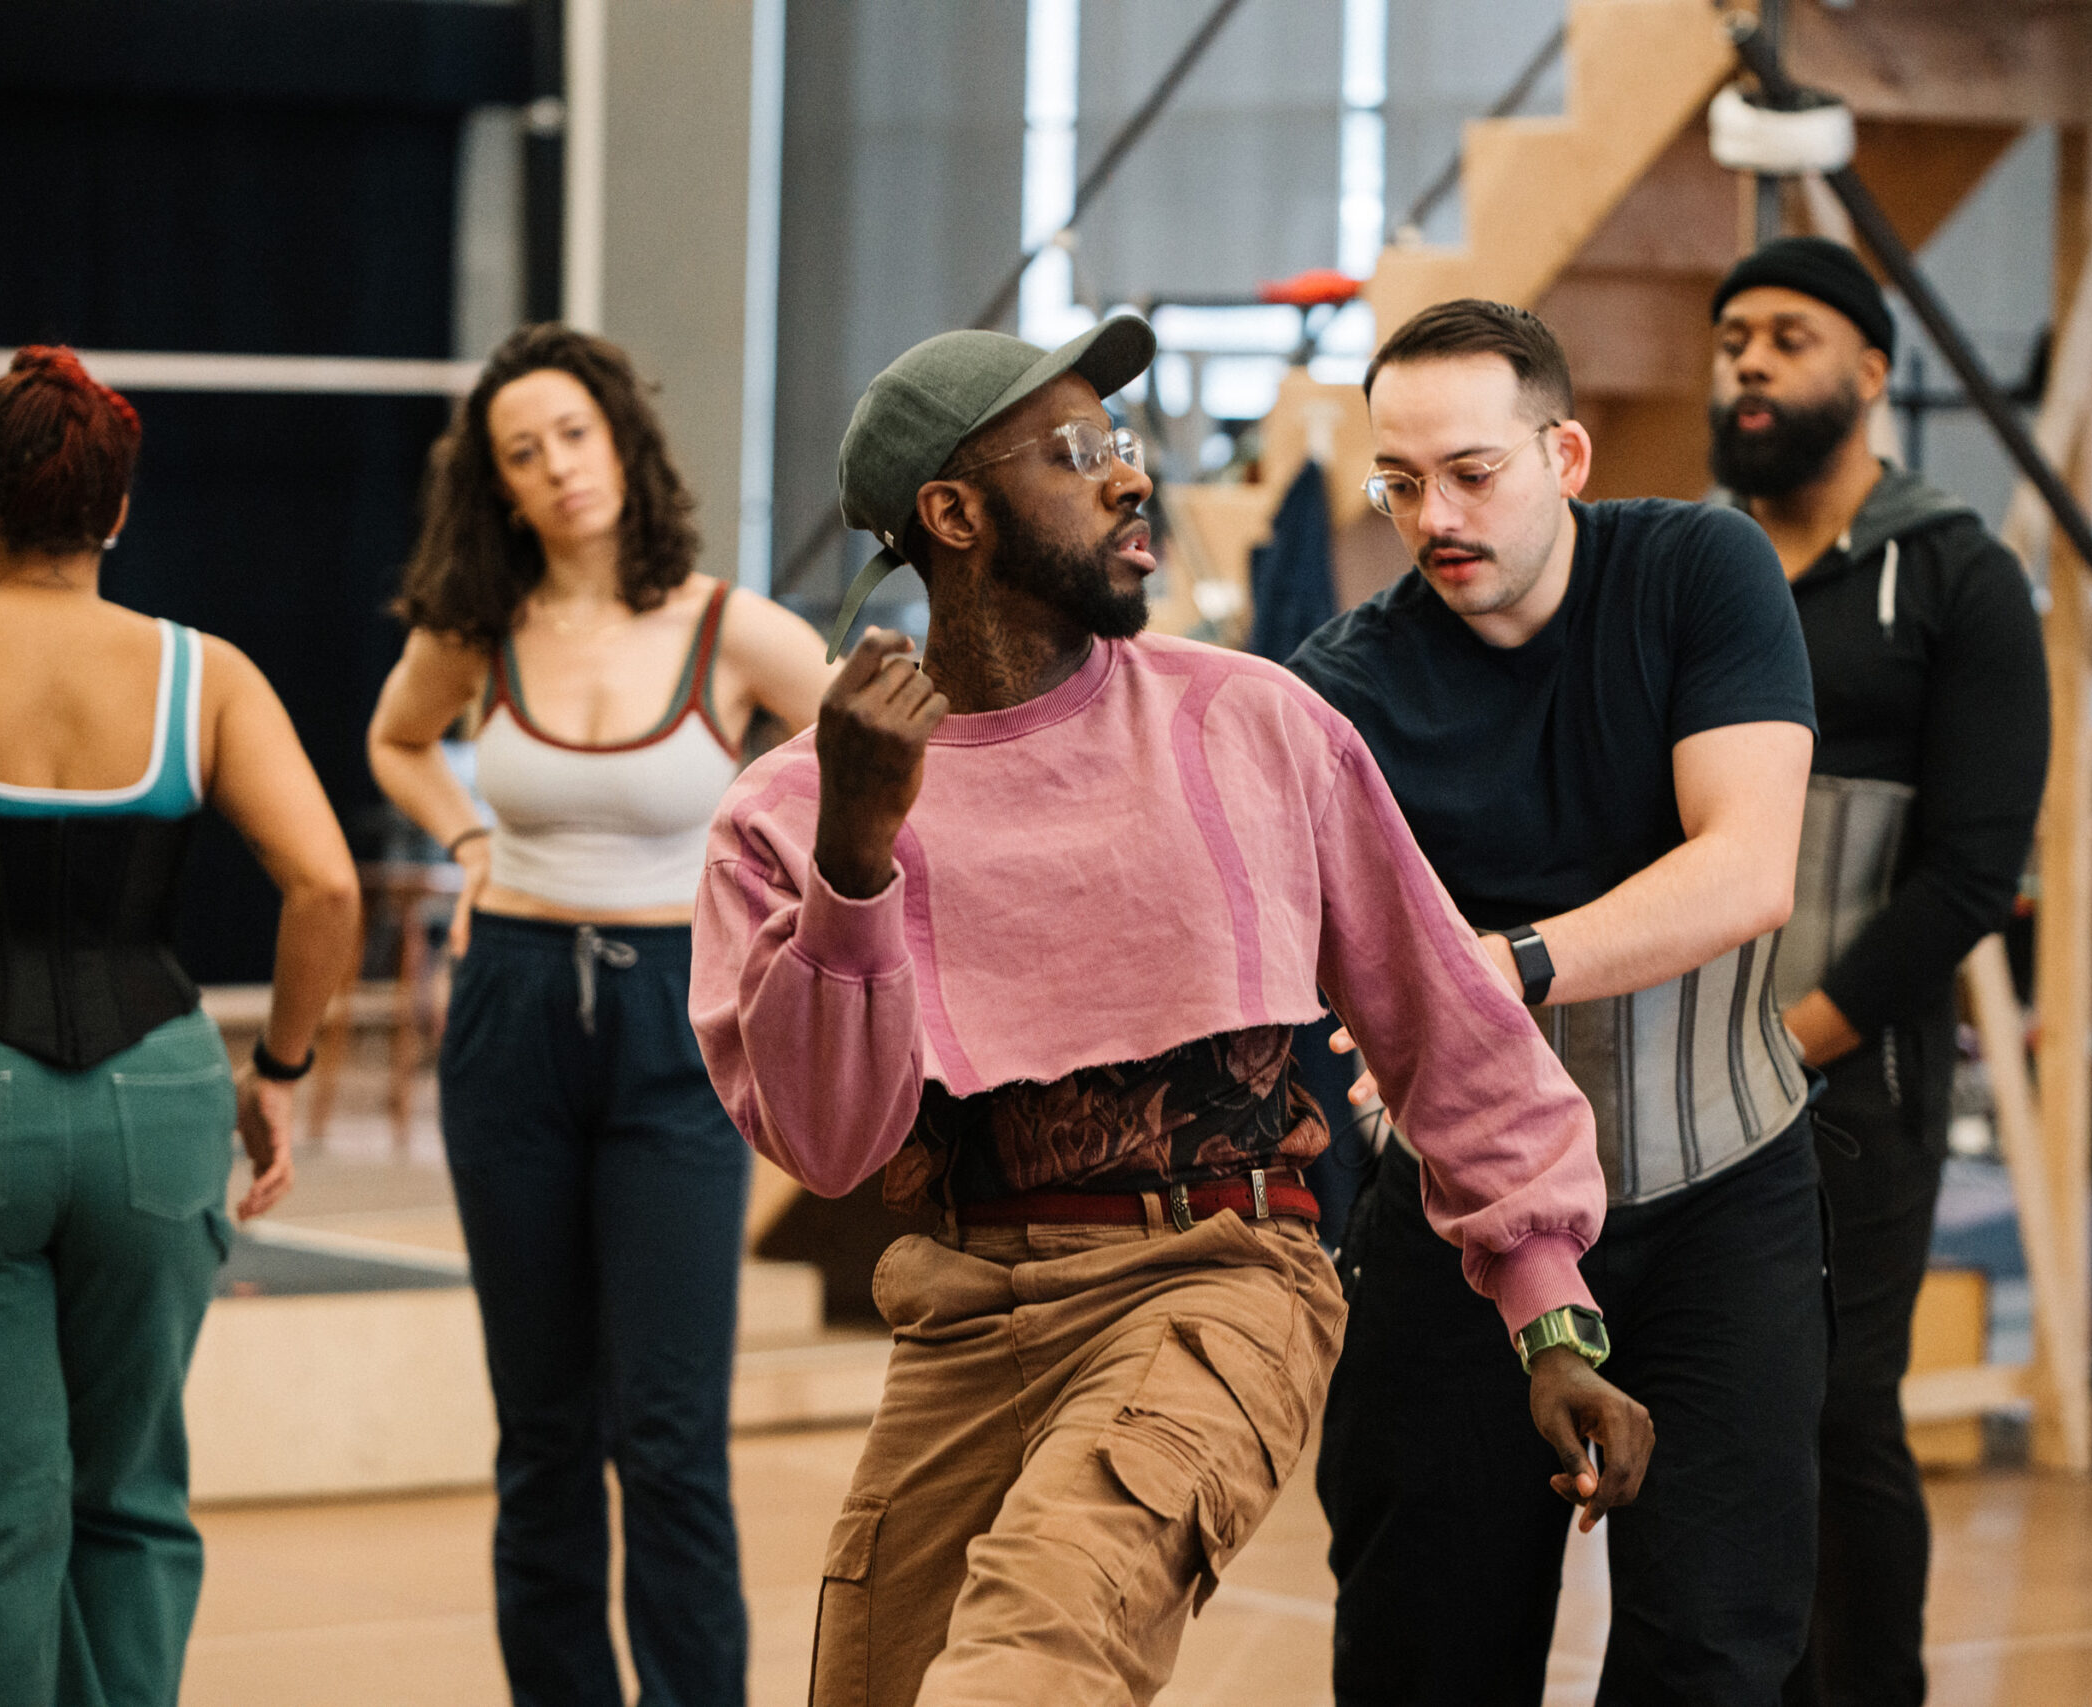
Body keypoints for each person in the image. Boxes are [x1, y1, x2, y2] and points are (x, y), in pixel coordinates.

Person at [688, 314, 1652, 1707]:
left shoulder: (1256, 725)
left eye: (1127, 443)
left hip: (1218, 1279)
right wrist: (856, 860)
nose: (1132, 478)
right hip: (962, 1315)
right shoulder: (790, 813)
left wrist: (1550, 1316)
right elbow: (831, 1147)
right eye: (1079, 452)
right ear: (953, 514)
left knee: (1029, 1663)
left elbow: (1447, 1027)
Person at [1290, 298, 1823, 1706]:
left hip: (1723, 1193)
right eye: (1400, 482)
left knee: (1711, 1653)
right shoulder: (1345, 687)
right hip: (1461, 1220)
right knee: (1425, 1646)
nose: (1434, 514)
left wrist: (1499, 965)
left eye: (1473, 472)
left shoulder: (1700, 569)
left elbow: (1750, 868)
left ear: (1567, 453)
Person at [0, 347, 363, 1707]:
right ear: (117, 515)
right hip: (160, 1103)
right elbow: (324, 884)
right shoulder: (204, 675)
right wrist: (276, 1069)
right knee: (134, 1490)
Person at [367, 323, 832, 1706]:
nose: (557, 467)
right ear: (497, 486)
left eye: (572, 433)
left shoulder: (731, 627)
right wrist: (465, 843)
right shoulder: (477, 631)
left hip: (676, 1034)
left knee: (671, 1431)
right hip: (509, 1016)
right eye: (523, 452)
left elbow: (875, 779)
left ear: (622, 439)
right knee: (543, 1432)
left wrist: (790, 914)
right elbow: (396, 740)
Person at [1708, 236, 2050, 1707]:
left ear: (1871, 368)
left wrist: (1792, 1041)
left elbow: (1973, 872)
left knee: (1841, 1420)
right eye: (1730, 340)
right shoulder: (1693, 566)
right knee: (1720, 1428)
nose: (1749, 364)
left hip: (1853, 1080)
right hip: (1682, 1077)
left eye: (1787, 336)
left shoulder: (1960, 577)